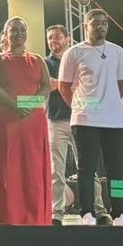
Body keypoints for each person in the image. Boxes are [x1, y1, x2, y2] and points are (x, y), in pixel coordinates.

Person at [58, 9, 123, 226]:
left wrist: (108, 104)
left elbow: (122, 84)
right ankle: (87, 214)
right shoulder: (74, 52)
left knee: (118, 169)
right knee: (87, 168)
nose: (100, 26)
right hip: (85, 119)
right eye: (95, 23)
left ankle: (120, 214)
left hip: (114, 120)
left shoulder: (118, 51)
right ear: (86, 26)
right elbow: (64, 86)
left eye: (104, 23)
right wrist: (80, 106)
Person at [0, 17, 52, 226]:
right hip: (9, 119)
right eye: (13, 30)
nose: (18, 34)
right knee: (10, 168)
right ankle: (12, 218)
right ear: (5, 34)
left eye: (22, 30)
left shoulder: (37, 59)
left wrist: (29, 104)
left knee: (34, 169)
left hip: (33, 121)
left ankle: (36, 218)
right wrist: (15, 105)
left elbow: (46, 85)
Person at [44, 24, 74, 226]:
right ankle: (57, 213)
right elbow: (46, 85)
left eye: (57, 37)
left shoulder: (76, 58)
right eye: (50, 38)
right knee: (56, 170)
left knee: (88, 169)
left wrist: (59, 83)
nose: (53, 41)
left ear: (67, 38)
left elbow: (83, 84)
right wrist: (65, 84)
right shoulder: (45, 63)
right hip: (55, 120)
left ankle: (97, 210)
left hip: (80, 119)